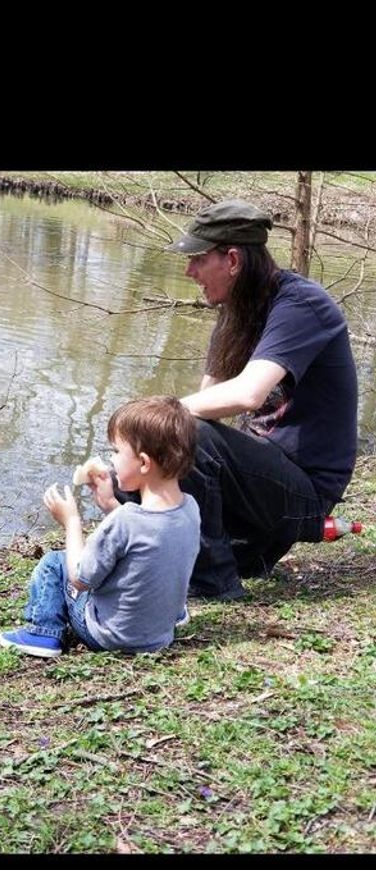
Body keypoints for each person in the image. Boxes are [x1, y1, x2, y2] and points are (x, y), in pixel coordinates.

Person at [113, 199, 358, 601]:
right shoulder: (236, 312)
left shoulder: (301, 305)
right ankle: (167, 558)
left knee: (180, 431)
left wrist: (153, 417)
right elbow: (210, 399)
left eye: (197, 259)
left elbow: (248, 394)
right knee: (138, 458)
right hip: (261, 485)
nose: (189, 271)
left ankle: (214, 583)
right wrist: (133, 459)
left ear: (232, 259)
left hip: (304, 493)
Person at [0, 396, 200, 657]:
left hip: (111, 635)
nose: (112, 460)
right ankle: (174, 612)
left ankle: (43, 634)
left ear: (144, 463)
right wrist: (108, 502)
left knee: (55, 563)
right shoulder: (189, 508)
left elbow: (81, 578)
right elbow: (146, 538)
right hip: (158, 634)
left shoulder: (126, 519)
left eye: (116, 451)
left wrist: (71, 522)